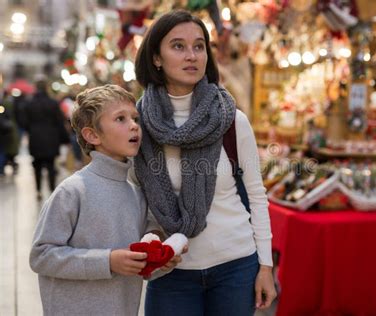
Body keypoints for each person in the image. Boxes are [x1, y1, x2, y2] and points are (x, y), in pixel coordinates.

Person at [133, 10, 277, 315]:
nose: (192, 56)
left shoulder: (231, 120)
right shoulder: (138, 125)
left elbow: (256, 195)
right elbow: (132, 201)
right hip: (170, 270)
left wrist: (265, 265)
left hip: (235, 267)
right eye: (178, 46)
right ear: (156, 58)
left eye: (199, 46)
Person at [29, 85, 181, 315]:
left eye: (135, 118)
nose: (133, 125)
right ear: (92, 135)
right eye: (120, 118)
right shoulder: (72, 191)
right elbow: (41, 256)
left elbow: (136, 264)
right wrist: (107, 261)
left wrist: (158, 264)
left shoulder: (137, 194)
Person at [23, 79, 67, 199]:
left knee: (37, 165)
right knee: (51, 165)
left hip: (35, 137)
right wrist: (64, 138)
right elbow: (59, 121)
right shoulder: (53, 103)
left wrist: (31, 130)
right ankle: (52, 189)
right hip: (51, 138)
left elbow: (25, 122)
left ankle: (38, 190)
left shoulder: (29, 103)